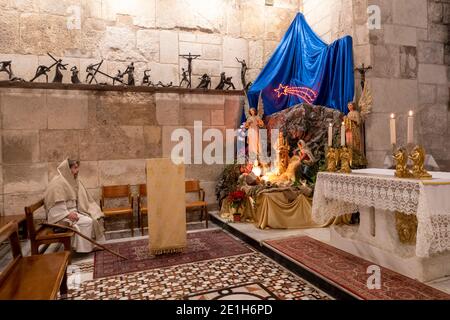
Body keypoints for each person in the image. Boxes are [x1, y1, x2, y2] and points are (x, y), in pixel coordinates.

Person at [44, 159, 105, 253]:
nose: (77, 170)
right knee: (88, 221)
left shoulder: (69, 180)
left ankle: (90, 246)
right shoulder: (58, 183)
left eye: (77, 167)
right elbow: (56, 206)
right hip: (60, 217)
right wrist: (67, 214)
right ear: (68, 169)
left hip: (72, 212)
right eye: (75, 168)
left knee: (94, 215)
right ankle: (83, 249)